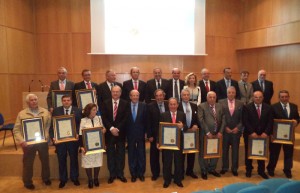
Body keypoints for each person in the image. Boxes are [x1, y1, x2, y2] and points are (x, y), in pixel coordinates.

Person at [13, 94, 51, 190]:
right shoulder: (21, 114)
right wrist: (21, 141)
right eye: (31, 100)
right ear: (27, 102)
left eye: (35, 100)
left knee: (45, 161)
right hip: (28, 143)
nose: (34, 101)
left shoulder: (45, 112)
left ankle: (46, 178)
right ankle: (27, 181)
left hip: (42, 141)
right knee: (28, 163)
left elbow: (48, 127)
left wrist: (46, 136)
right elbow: (16, 130)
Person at [49, 95, 82, 188]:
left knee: (74, 159)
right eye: (64, 100)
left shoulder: (78, 110)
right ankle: (63, 179)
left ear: (71, 101)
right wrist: (53, 137)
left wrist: (77, 133)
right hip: (61, 141)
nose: (66, 102)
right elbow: (52, 126)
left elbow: (81, 124)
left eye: (68, 100)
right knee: (61, 160)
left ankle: (74, 177)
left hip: (73, 140)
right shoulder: (56, 111)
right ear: (61, 102)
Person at [267, 90, 299, 178]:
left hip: (289, 135)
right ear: (279, 97)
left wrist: (296, 121)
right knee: (274, 153)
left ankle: (287, 170)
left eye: (286, 96)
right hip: (276, 135)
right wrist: (270, 134)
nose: (284, 98)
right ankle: (271, 169)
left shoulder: (294, 106)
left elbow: (297, 117)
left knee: (289, 153)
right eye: (282, 97)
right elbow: (269, 121)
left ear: (288, 97)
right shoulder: (273, 107)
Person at [101, 85, 130, 184]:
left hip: (121, 133)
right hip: (109, 133)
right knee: (110, 155)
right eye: (114, 91)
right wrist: (112, 128)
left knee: (121, 154)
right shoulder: (105, 103)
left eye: (117, 92)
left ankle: (120, 174)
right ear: (111, 92)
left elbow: (126, 118)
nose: (115, 93)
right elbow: (104, 118)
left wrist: (117, 128)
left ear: (120, 93)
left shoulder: (126, 103)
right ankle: (112, 174)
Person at [158, 98, 188, 188]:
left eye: (174, 104)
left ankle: (178, 180)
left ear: (177, 105)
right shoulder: (163, 115)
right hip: (167, 143)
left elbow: (186, 127)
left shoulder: (182, 114)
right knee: (167, 162)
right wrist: (158, 142)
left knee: (179, 162)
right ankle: (167, 180)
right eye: (171, 104)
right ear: (168, 105)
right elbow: (159, 129)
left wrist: (182, 126)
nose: (173, 106)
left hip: (179, 143)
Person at [243, 91, 273, 179]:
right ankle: (248, 170)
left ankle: (261, 171)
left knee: (261, 153)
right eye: (256, 97)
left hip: (263, 135)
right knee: (248, 153)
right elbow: (245, 121)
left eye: (260, 97)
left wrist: (266, 133)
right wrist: (252, 132)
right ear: (253, 98)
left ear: (263, 98)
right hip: (250, 135)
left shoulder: (268, 107)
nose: (258, 99)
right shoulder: (247, 107)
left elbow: (270, 122)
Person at [198, 91, 225, 180]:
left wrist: (220, 132)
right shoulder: (202, 106)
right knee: (203, 152)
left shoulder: (220, 106)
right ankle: (204, 170)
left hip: (217, 134)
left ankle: (212, 169)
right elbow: (201, 120)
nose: (212, 99)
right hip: (206, 134)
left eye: (214, 97)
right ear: (207, 98)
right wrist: (207, 132)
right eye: (210, 97)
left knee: (215, 151)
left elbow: (224, 119)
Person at [79, 103, 106, 188]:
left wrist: (104, 130)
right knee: (88, 163)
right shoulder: (83, 120)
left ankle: (96, 179)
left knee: (97, 162)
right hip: (87, 146)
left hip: (98, 145)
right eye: (94, 110)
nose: (96, 111)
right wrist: (82, 147)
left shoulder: (99, 118)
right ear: (89, 110)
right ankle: (90, 180)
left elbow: (102, 129)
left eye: (96, 109)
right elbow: (80, 134)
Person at [218, 87, 243, 176]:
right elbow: (219, 117)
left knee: (235, 151)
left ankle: (234, 168)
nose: (231, 94)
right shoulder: (221, 102)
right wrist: (224, 128)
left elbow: (243, 118)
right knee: (224, 150)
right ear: (226, 93)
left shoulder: (241, 103)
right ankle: (225, 167)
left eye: (233, 92)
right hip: (225, 131)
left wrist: (238, 128)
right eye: (229, 92)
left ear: (235, 93)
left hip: (236, 132)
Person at [146, 89, 169, 181]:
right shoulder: (150, 106)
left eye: (161, 95)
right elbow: (148, 121)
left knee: (166, 156)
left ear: (164, 96)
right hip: (154, 135)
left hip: (167, 134)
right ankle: (155, 173)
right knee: (154, 156)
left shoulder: (169, 105)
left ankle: (166, 173)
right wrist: (149, 135)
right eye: (157, 96)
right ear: (155, 97)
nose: (159, 97)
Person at [126, 90, 147, 182]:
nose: (135, 97)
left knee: (141, 154)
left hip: (141, 134)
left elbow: (147, 120)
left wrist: (146, 132)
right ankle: (133, 174)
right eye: (133, 95)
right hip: (130, 134)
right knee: (132, 154)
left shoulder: (144, 105)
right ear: (130, 96)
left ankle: (141, 173)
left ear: (139, 96)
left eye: (137, 95)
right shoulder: (126, 106)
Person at [178, 89, 199, 179]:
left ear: (189, 96)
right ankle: (181, 172)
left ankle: (190, 171)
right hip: (181, 133)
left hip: (191, 134)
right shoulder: (177, 106)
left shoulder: (194, 106)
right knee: (181, 155)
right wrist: (184, 127)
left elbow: (197, 118)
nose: (186, 96)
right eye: (184, 95)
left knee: (191, 153)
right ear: (181, 96)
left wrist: (196, 124)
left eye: (187, 95)